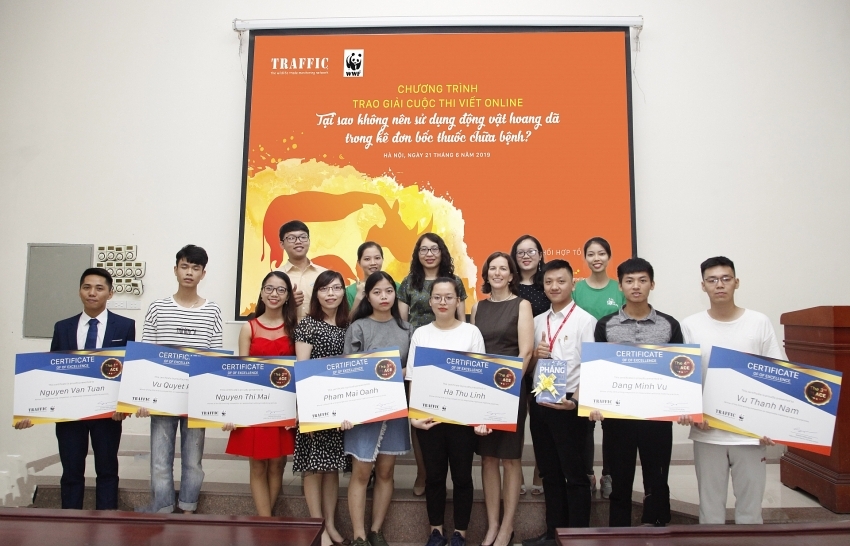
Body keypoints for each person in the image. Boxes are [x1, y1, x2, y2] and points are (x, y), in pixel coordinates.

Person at [15, 268, 135, 510]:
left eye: (99, 288)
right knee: (71, 472)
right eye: (86, 287)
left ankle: (107, 522)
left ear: (110, 293)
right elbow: (51, 371)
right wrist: (31, 411)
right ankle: (69, 523)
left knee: (107, 470)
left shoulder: (125, 326)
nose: (92, 293)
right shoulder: (63, 327)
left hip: (107, 414)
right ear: (79, 291)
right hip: (69, 414)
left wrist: (125, 406)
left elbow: (130, 369)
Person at [681, 256, 782, 524]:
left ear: (736, 282)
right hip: (708, 433)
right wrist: (691, 412)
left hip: (750, 434)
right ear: (703, 286)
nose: (719, 285)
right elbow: (685, 377)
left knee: (750, 511)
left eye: (726, 279)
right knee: (710, 511)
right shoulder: (690, 325)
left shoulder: (759, 322)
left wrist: (773, 424)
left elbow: (777, 376)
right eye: (712, 280)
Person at [590, 257, 683, 527]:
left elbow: (680, 371)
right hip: (618, 419)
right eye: (629, 281)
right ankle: (619, 535)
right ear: (620, 286)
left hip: (658, 419)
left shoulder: (669, 325)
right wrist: (595, 402)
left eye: (642, 280)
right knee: (619, 481)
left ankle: (657, 527)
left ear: (652, 284)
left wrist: (682, 406)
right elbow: (598, 371)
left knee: (657, 479)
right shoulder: (606, 325)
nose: (636, 286)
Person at [137, 244, 223, 514]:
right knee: (160, 458)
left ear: (203, 274)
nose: (189, 272)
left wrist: (213, 401)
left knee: (193, 460)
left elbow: (214, 358)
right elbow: (145, 355)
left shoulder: (212, 311)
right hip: (161, 396)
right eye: (184, 266)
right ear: (175, 270)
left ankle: (188, 507)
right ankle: (162, 507)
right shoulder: (157, 308)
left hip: (196, 398)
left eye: (195, 268)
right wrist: (142, 397)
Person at [522, 260, 596, 546]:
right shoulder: (537, 321)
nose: (554, 287)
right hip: (541, 405)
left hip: (570, 408)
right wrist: (536, 356)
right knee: (550, 473)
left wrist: (575, 401)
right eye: (549, 282)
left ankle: (578, 537)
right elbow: (528, 369)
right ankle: (554, 534)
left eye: (561, 281)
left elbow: (592, 368)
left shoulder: (585, 321)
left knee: (575, 476)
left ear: (572, 284)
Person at [408, 278, 485, 546]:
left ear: (458, 301)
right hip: (430, 419)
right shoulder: (421, 334)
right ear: (430, 301)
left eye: (449, 297)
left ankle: (460, 533)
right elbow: (414, 377)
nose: (443, 302)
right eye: (437, 297)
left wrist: (480, 418)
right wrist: (414, 417)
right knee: (434, 477)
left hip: (463, 421)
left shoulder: (471, 333)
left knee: (462, 477)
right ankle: (436, 532)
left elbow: (480, 378)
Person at [342, 271, 412, 546]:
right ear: (367, 297)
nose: (384, 297)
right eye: (377, 292)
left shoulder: (406, 329)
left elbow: (411, 368)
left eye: (389, 291)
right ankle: (359, 535)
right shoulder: (358, 327)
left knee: (385, 472)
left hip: (395, 409)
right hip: (363, 411)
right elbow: (348, 369)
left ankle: (376, 530)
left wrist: (400, 372)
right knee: (361, 473)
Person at [471, 252, 534, 546]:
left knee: (510, 458)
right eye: (492, 269)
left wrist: (507, 387)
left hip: (511, 388)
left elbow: (526, 351)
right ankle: (492, 525)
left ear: (511, 275)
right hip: (483, 390)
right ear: (486, 274)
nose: (497, 273)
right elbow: (474, 350)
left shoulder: (522, 305)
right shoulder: (477, 307)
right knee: (487, 458)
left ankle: (507, 527)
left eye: (503, 269)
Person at [223, 271, 298, 517]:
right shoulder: (249, 327)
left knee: (277, 464)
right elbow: (241, 373)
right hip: (253, 406)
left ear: (287, 296)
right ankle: (266, 522)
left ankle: (266, 519)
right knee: (257, 465)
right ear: (262, 293)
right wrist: (233, 411)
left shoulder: (295, 328)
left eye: (281, 290)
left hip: (283, 406)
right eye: (269, 288)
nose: (274, 294)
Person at [398, 232, 467, 496]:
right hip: (419, 354)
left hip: (451, 357)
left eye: (434, 249)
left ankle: (447, 472)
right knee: (421, 415)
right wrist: (408, 362)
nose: (429, 254)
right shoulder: (408, 282)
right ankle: (423, 472)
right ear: (417, 254)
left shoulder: (455, 282)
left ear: (442, 252)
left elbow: (463, 322)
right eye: (424, 249)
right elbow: (403, 325)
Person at [293, 270, 351, 546]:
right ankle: (317, 527)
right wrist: (306, 411)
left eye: (336, 288)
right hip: (315, 406)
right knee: (313, 468)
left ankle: (330, 523)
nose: (331, 294)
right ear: (316, 294)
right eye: (325, 289)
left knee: (332, 468)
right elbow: (302, 368)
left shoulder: (348, 325)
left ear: (343, 292)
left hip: (340, 408)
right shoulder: (308, 324)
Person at [572, 236, 626, 499]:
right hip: (584, 365)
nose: (596, 258)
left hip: (613, 365)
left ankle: (609, 475)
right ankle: (588, 474)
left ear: (609, 256)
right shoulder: (576, 289)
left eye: (601, 253)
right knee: (584, 427)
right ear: (585, 258)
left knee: (612, 427)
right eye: (591, 254)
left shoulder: (619, 289)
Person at [510, 234, 549, 496]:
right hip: (514, 360)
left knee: (541, 422)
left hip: (545, 361)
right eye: (521, 252)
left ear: (540, 255)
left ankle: (540, 473)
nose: (526, 256)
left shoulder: (548, 284)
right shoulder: (508, 286)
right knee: (516, 421)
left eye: (531, 251)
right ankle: (518, 478)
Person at [277, 220, 327, 320]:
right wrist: (287, 303)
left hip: (319, 329)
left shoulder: (324, 274)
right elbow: (265, 311)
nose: (298, 241)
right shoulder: (276, 276)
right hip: (286, 329)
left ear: (309, 241)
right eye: (291, 238)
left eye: (303, 237)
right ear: (282, 244)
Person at [345, 242, 398, 313]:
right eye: (367, 259)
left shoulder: (396, 287)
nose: (373, 263)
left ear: (382, 259)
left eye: (377, 258)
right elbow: (348, 319)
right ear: (359, 262)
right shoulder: (350, 291)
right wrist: (359, 297)